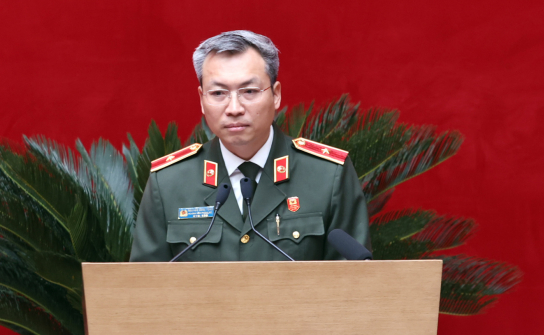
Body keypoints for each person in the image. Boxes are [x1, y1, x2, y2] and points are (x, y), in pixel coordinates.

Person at [130, 30, 370, 262]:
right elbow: (143, 283)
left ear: (276, 95)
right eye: (218, 93)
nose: (234, 108)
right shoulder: (169, 183)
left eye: (249, 91)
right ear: (202, 100)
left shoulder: (328, 176)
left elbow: (354, 280)